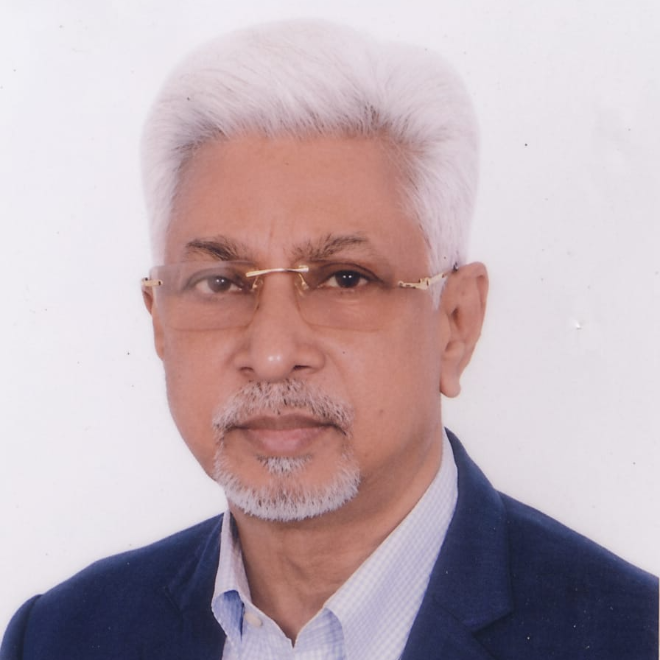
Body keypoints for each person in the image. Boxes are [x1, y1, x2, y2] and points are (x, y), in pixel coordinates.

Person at [1, 19, 657, 660]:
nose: (272, 354)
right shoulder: (61, 637)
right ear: (159, 323)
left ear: (456, 323)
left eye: (345, 278)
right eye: (220, 283)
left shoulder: (633, 638)